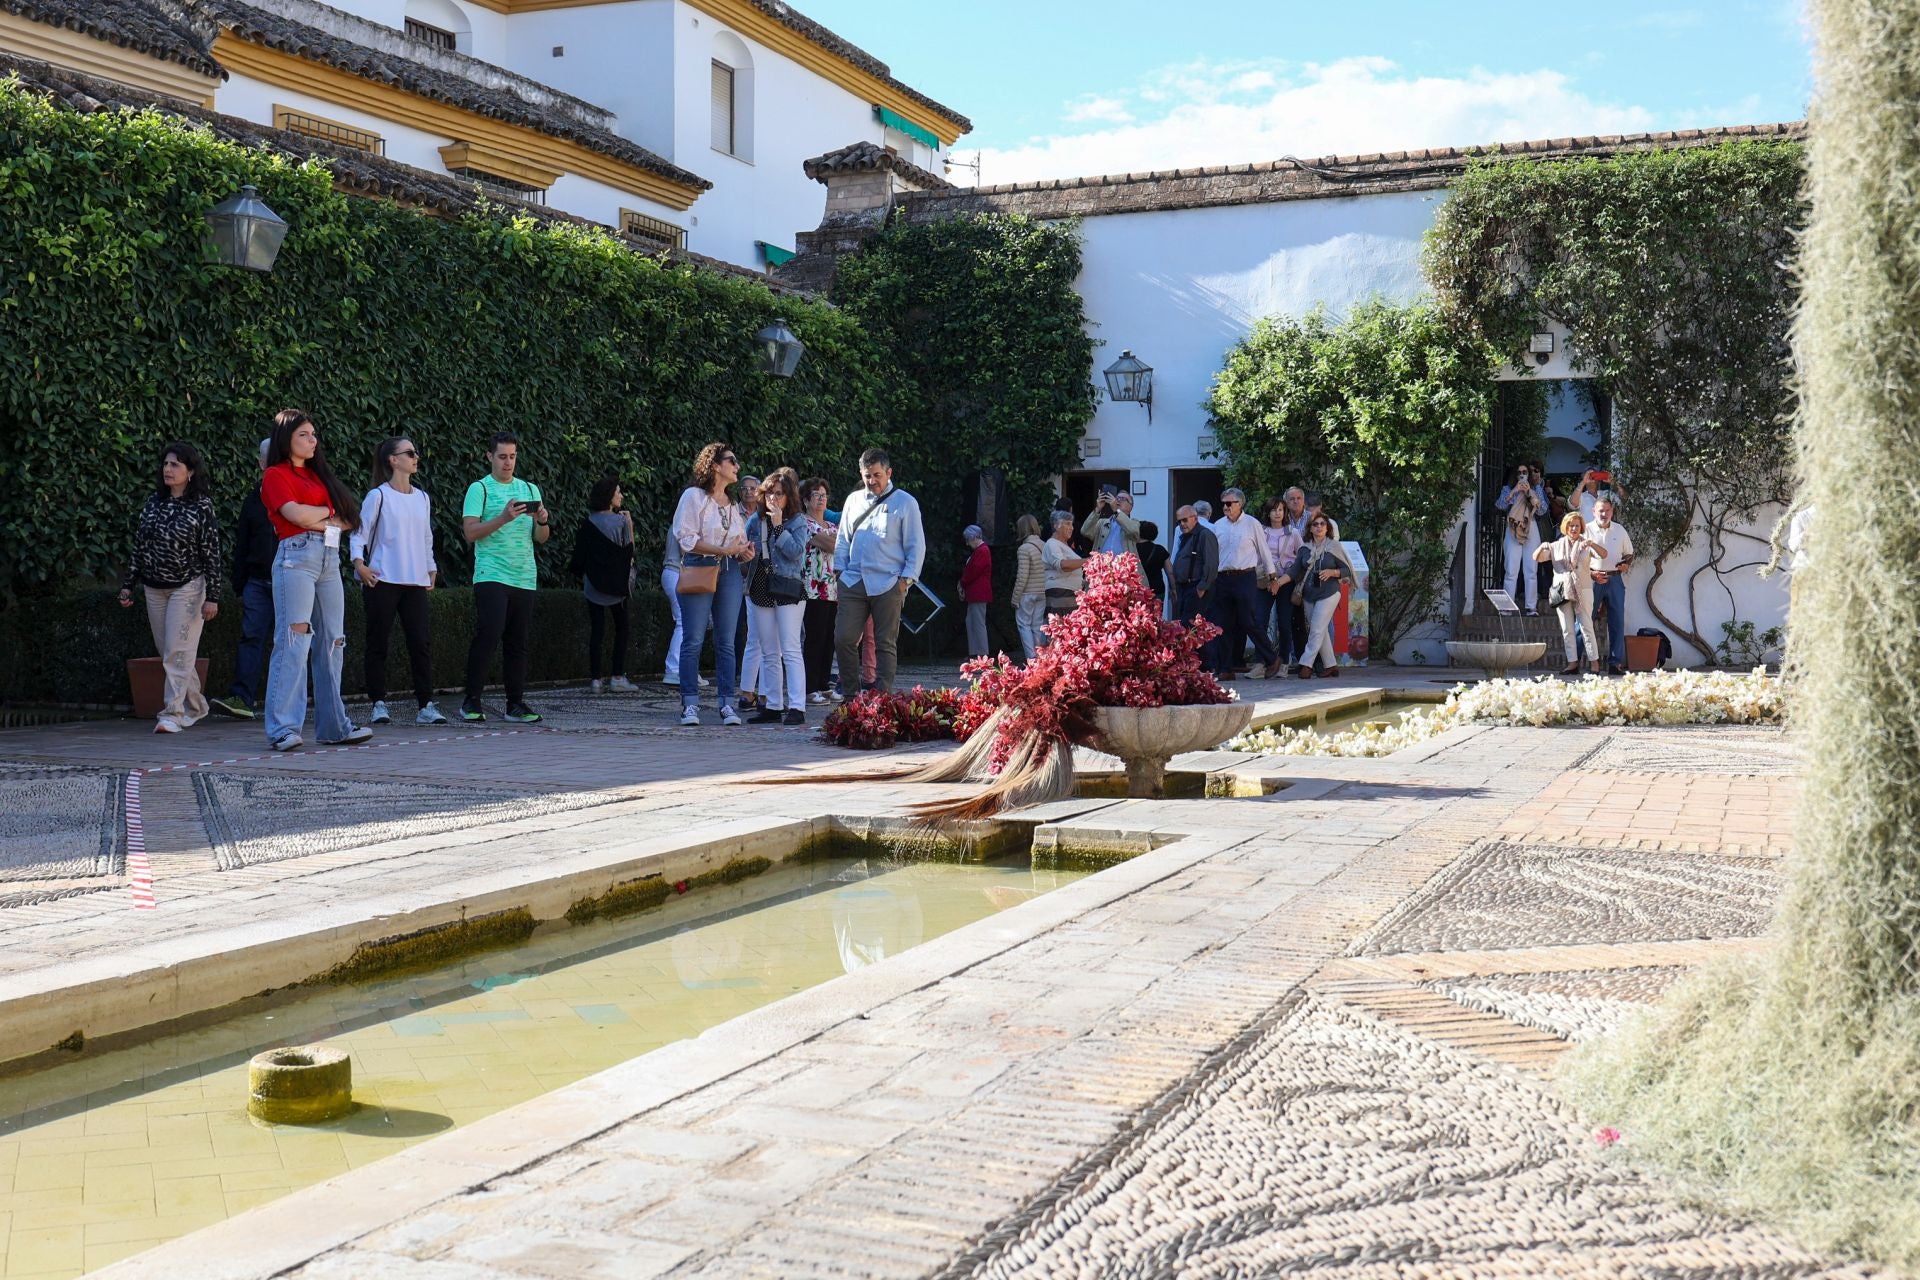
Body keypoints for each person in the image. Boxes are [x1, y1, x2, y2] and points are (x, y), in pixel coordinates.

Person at [259, 410, 371, 751]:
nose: (313, 440)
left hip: (328, 560)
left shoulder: (319, 476)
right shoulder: (275, 475)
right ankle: (282, 729)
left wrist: (315, 515)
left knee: (333, 641)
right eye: (304, 435)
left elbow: (351, 518)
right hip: (295, 559)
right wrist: (326, 513)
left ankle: (335, 726)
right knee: (294, 641)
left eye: (313, 434)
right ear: (286, 440)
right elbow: (294, 515)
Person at [117, 442, 222, 734]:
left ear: (190, 472)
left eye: (175, 464)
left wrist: (213, 596)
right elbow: (140, 547)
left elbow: (211, 553)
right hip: (154, 588)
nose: (168, 469)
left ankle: (172, 713)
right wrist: (128, 585)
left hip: (188, 587)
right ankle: (198, 705)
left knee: (177, 651)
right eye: (165, 464)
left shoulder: (201, 505)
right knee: (171, 652)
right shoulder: (154, 502)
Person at [352, 436, 444, 726]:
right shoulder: (377, 496)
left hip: (415, 582)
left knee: (420, 642)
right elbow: (359, 533)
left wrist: (430, 568)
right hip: (383, 580)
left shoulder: (423, 498)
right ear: (393, 460)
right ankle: (378, 703)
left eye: (415, 452)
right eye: (409, 453)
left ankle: (426, 705)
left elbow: (426, 537)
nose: (416, 457)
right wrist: (360, 565)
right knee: (378, 642)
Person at [460, 432, 547, 724]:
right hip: (491, 574)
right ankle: (471, 700)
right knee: (489, 634)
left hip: (524, 575)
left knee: (518, 642)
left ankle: (515, 704)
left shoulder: (530, 489)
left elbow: (541, 539)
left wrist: (542, 521)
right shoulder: (479, 489)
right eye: (502, 456)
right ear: (490, 457)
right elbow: (470, 533)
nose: (508, 463)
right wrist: (503, 518)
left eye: (512, 456)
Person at [833, 448, 924, 696]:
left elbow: (916, 545)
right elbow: (842, 539)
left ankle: (882, 700)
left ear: (888, 472)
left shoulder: (905, 502)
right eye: (867, 475)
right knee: (843, 639)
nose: (872, 481)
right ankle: (851, 698)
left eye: (876, 475)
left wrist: (905, 581)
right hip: (853, 580)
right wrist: (840, 572)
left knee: (885, 643)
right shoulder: (853, 500)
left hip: (888, 582)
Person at [673, 442, 752, 725]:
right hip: (699, 566)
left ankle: (726, 704)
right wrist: (724, 551)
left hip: (730, 570)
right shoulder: (693, 496)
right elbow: (686, 538)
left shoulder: (731, 504)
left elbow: (737, 543)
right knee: (693, 639)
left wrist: (743, 552)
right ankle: (690, 704)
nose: (737, 466)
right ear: (715, 465)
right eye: (732, 461)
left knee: (727, 642)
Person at [210, 438, 276, 720]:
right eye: (268, 459)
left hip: (291, 581)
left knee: (293, 643)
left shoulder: (300, 495)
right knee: (251, 637)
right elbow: (243, 543)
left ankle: (287, 703)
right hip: (257, 581)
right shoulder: (253, 500)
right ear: (261, 464)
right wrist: (241, 582)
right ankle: (242, 698)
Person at [744, 467, 808, 725]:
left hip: (788, 588)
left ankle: (797, 706)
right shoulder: (755, 521)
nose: (773, 499)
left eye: (779, 494)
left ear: (788, 497)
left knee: (790, 648)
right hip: (760, 586)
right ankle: (772, 705)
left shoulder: (797, 521)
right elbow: (744, 552)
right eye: (769, 493)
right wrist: (743, 555)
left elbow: (795, 552)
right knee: (769, 650)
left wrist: (780, 527)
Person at [570, 476, 638, 694]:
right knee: (622, 628)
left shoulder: (588, 521)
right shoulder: (620, 521)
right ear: (609, 497)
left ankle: (596, 680)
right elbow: (628, 551)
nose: (621, 496)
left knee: (597, 631)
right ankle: (617, 676)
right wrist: (630, 525)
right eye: (618, 492)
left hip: (593, 584)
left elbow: (580, 556)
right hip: (617, 585)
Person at [1209, 488, 1279, 679]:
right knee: (1224, 623)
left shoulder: (1252, 523)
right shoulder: (1218, 525)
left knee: (1248, 620)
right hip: (1223, 577)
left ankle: (1272, 658)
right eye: (1223, 503)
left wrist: (1273, 577)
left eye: (1230, 503)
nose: (1226, 507)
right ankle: (1225, 668)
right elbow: (1214, 554)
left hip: (1245, 577)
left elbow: (1264, 550)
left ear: (1240, 504)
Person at [1276, 513, 1353, 680]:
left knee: (1316, 629)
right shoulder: (1304, 549)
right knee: (1320, 630)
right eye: (1315, 524)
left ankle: (1306, 664)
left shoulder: (1334, 546)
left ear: (1327, 528)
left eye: (1322, 524)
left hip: (1330, 593)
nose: (1319, 527)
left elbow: (1347, 570)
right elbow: (1294, 571)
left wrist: (1333, 572)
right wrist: (1277, 583)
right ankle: (1331, 665)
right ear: (1310, 528)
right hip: (1309, 595)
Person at [1535, 511, 1603, 676]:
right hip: (1562, 590)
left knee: (1586, 626)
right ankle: (1572, 663)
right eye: (1571, 525)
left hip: (1584, 589)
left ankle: (1594, 664)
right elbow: (1537, 558)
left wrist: (1592, 544)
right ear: (1565, 527)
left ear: (1581, 527)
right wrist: (1541, 546)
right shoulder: (1556, 545)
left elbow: (1604, 554)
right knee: (1567, 629)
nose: (1574, 528)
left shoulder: (1585, 544)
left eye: (1577, 525)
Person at [798, 477, 839, 704]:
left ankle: (824, 685)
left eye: (824, 495)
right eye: (816, 495)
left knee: (828, 638)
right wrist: (834, 540)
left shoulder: (832, 526)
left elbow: (843, 547)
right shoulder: (804, 523)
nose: (821, 499)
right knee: (814, 637)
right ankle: (809, 687)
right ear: (805, 500)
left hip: (832, 588)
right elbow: (833, 545)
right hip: (811, 587)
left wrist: (834, 540)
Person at [1587, 497, 1636, 675]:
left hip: (1615, 579)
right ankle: (1580, 662)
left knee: (1617, 622)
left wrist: (1626, 565)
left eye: (1607, 510)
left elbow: (1629, 554)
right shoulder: (1586, 529)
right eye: (1600, 510)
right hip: (1592, 578)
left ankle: (1615, 663)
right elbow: (1577, 558)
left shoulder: (1620, 529)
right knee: (1584, 621)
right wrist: (1591, 574)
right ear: (1593, 511)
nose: (1604, 514)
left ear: (1612, 511)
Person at [1169, 505, 1219, 668]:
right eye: (1179, 521)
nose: (1182, 524)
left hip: (1197, 587)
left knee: (1196, 627)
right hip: (1186, 588)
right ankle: (1195, 665)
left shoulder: (1204, 535)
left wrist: (1202, 587)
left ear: (1195, 518)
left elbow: (1211, 563)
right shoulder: (1185, 536)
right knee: (1186, 627)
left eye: (1185, 520)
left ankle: (1206, 666)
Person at [1496, 464, 1548, 614]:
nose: (1522, 474)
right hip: (1513, 528)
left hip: (1531, 528)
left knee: (1531, 570)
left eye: (1525, 472)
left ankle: (1531, 607)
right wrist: (1514, 491)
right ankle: (1506, 607)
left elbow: (1542, 510)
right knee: (1511, 570)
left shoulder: (1536, 488)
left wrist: (1529, 492)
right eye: (1519, 472)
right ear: (1515, 474)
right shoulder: (1507, 488)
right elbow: (1500, 505)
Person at [1262, 496, 1304, 671]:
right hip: (1265, 581)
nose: (1277, 513)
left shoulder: (1293, 532)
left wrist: (1286, 577)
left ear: (1285, 512)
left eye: (1280, 510)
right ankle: (1264, 661)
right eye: (1274, 509)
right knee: (1260, 621)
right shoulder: (1261, 531)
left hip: (1286, 582)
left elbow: (1301, 555)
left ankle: (1285, 661)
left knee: (1284, 623)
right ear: (1268, 512)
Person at [736, 473, 766, 712]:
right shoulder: (753, 521)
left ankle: (765, 694)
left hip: (774, 587)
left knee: (768, 642)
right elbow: (741, 555)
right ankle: (750, 694)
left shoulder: (789, 520)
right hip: (755, 584)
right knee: (757, 640)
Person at [1011, 513, 1047, 659]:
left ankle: (1031, 660)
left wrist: (1015, 597)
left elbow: (1022, 576)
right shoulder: (1045, 545)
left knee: (1023, 625)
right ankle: (1040, 660)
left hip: (1027, 593)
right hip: (1042, 592)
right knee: (1037, 626)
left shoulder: (1024, 549)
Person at [1080, 488, 1141, 574]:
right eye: (1117, 498)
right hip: (1101, 571)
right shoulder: (1102, 522)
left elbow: (1133, 531)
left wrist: (1117, 511)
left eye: (1123, 499)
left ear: (1130, 507)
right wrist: (1098, 509)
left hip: (1124, 572)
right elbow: (1085, 531)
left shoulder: (1134, 523)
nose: (1118, 500)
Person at [1041, 511, 1084, 619]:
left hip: (1067, 594)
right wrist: (1088, 560)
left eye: (1072, 524)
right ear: (1056, 526)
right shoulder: (1052, 543)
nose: (1072, 528)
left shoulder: (1063, 545)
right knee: (1060, 631)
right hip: (1060, 594)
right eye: (1068, 524)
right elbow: (1062, 565)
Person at [960, 524, 993, 660]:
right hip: (975, 592)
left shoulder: (982, 551)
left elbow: (973, 571)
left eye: (968, 540)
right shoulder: (981, 550)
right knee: (972, 621)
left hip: (978, 592)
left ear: (973, 537)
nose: (967, 543)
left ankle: (982, 654)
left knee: (977, 623)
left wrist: (962, 582)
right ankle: (976, 653)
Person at [1135, 520, 1169, 610]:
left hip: (1138, 590)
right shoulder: (1160, 549)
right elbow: (1170, 572)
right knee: (1156, 618)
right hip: (1157, 590)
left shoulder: (1132, 549)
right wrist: (1173, 589)